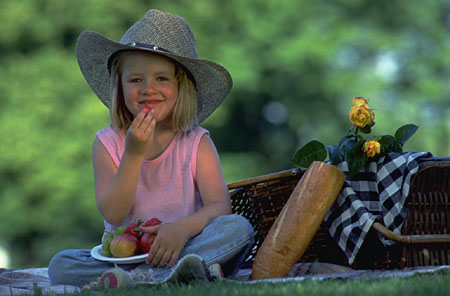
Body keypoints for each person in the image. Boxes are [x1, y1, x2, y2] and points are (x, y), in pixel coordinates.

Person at [48, 9, 254, 288]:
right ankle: (171, 277)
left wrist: (180, 229)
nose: (148, 89)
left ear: (181, 88)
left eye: (161, 78)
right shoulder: (106, 142)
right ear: (119, 87)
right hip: (126, 258)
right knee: (61, 264)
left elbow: (220, 207)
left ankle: (149, 279)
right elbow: (113, 213)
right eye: (136, 80)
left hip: (183, 248)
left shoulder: (196, 142)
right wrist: (133, 153)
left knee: (239, 229)